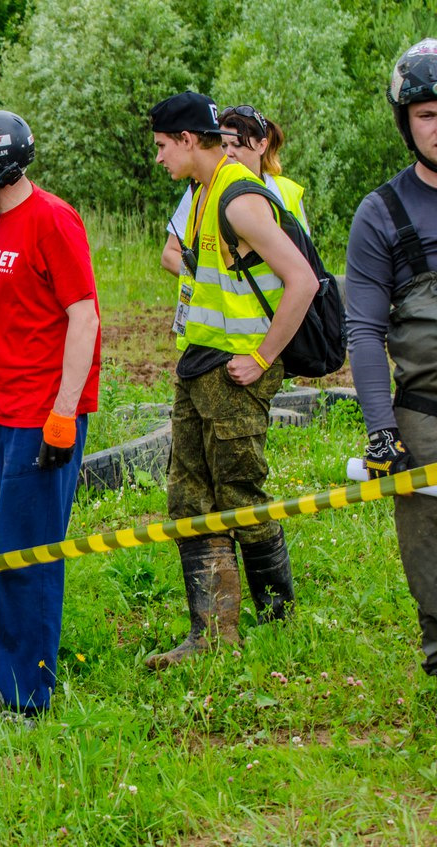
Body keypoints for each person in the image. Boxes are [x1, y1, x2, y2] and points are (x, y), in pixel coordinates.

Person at [144, 91, 319, 670]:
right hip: (199, 365)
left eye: (165, 147)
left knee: (240, 494)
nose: (162, 158)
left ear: (190, 140)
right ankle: (211, 634)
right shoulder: (199, 193)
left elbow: (303, 281)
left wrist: (264, 358)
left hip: (236, 372)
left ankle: (277, 618)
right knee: (190, 498)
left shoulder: (240, 198)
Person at [0, 110, 102, 723]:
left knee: (22, 560)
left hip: (42, 418)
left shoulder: (53, 220)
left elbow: (82, 318)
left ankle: (25, 700)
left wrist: (64, 415)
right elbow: (12, 324)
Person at [345, 39, 437, 677]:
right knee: (432, 555)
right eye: (428, 113)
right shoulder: (381, 214)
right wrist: (382, 432)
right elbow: (363, 333)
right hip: (426, 415)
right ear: (406, 122)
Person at [159, 105, 309, 275]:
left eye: (237, 145)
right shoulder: (203, 188)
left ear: (262, 145)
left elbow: (304, 264)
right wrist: (207, 282)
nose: (228, 152)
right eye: (223, 145)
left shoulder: (287, 191)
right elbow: (170, 255)